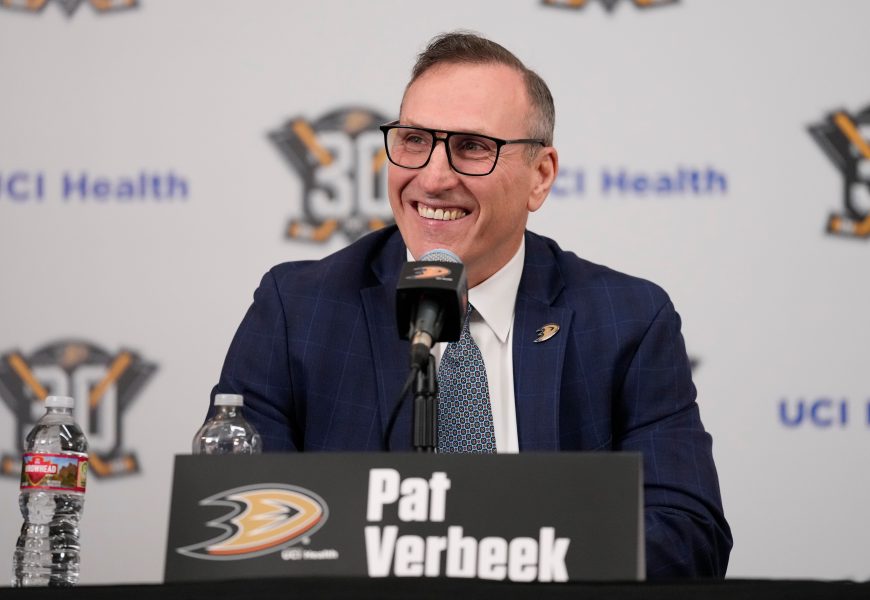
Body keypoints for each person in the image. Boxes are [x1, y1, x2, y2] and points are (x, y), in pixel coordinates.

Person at [210, 31, 732, 578]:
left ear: (540, 176)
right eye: (414, 140)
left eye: (472, 147)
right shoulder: (299, 310)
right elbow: (238, 524)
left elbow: (687, 536)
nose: (433, 178)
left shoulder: (628, 321)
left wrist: (509, 556)